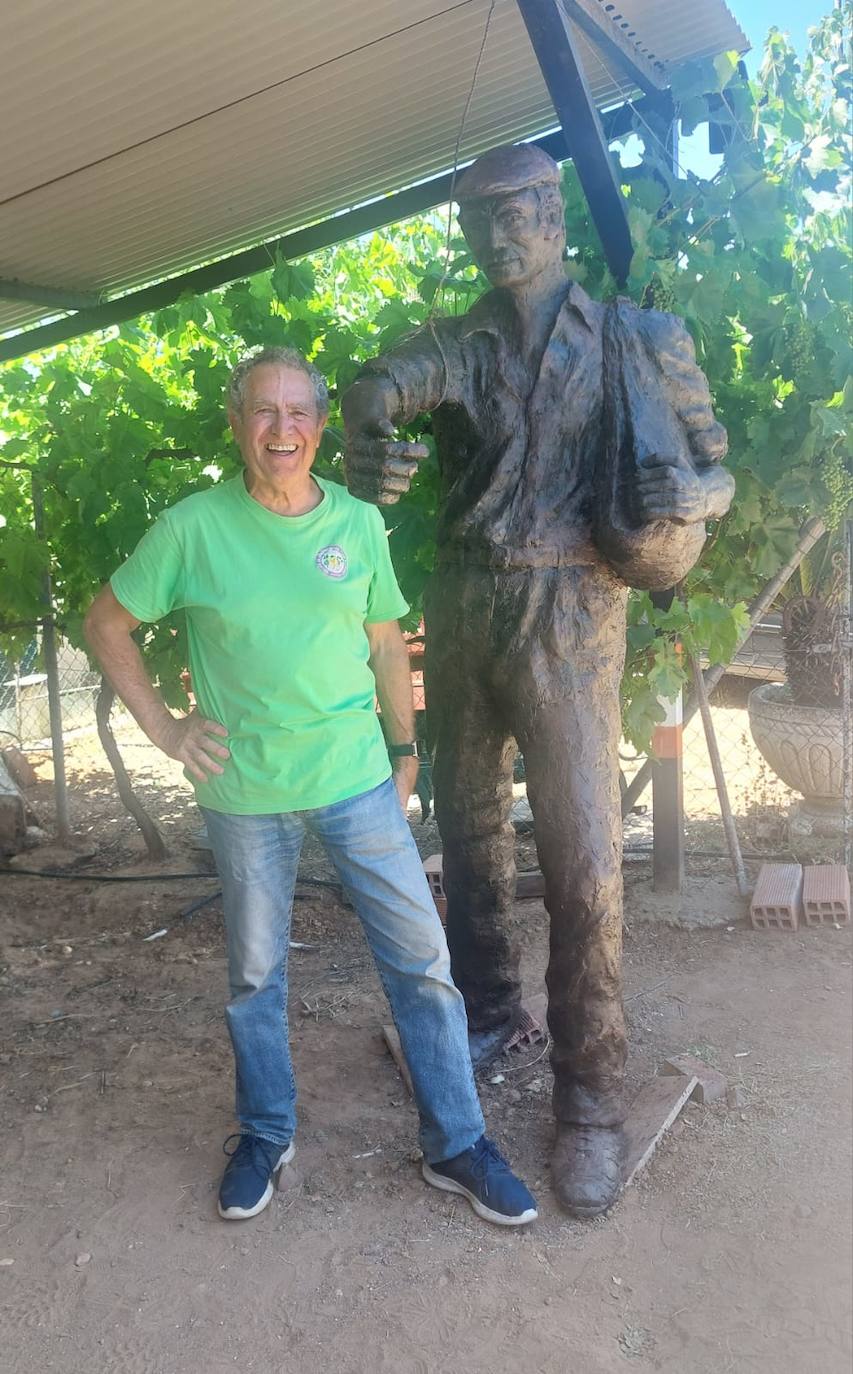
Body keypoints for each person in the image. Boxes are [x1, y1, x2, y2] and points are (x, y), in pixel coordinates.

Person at [342, 144, 734, 1217]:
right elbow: (378, 385)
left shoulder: (636, 338)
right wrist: (367, 433)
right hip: (463, 604)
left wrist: (694, 499)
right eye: (478, 222)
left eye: (514, 215)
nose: (495, 237)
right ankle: (485, 1010)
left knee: (584, 854)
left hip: (572, 605)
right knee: (467, 831)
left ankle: (590, 1099)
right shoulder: (458, 339)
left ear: (554, 214)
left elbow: (718, 467)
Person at [84, 346, 537, 1228]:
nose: (281, 428)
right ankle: (265, 1132)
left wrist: (404, 749)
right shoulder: (190, 529)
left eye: (298, 412)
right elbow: (106, 623)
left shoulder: (358, 524)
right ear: (236, 423)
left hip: (355, 780)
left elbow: (383, 639)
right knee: (255, 977)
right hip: (244, 792)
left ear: (322, 427)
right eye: (263, 410)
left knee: (423, 963)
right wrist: (165, 731)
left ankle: (456, 1144)